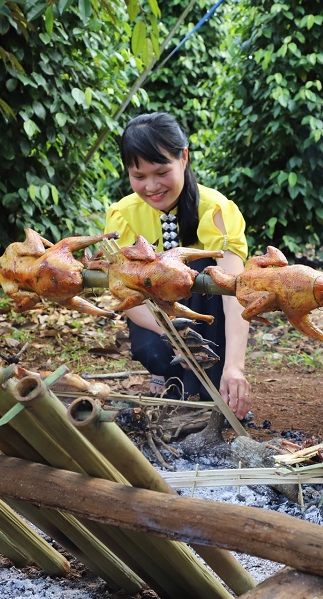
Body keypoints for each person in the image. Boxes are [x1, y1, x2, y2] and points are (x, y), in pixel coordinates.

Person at [104, 112, 252, 419]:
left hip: (208, 315)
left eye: (161, 172)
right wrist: (172, 333)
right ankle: (169, 377)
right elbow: (126, 293)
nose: (152, 186)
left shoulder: (214, 210)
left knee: (205, 268)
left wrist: (235, 367)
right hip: (155, 314)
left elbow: (235, 292)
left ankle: (210, 392)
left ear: (183, 157)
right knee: (154, 351)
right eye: (139, 176)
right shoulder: (123, 215)